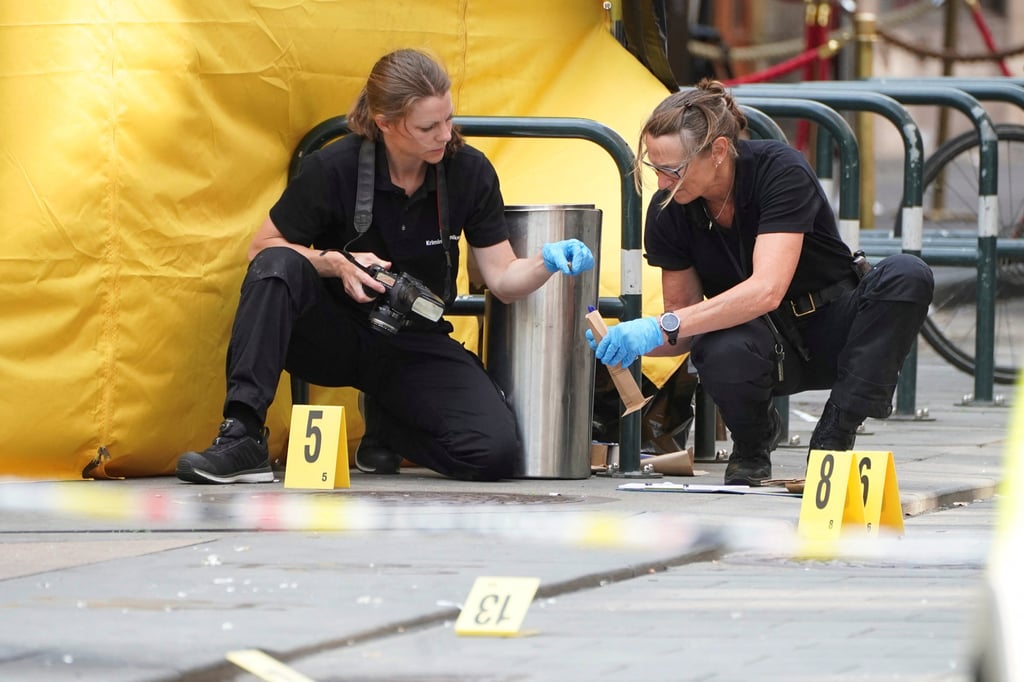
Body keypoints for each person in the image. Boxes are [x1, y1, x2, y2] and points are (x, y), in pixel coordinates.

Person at [176, 48, 594, 484]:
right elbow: (261, 249)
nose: (445, 135)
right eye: (428, 127)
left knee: (494, 453)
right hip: (332, 333)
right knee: (277, 265)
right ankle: (243, 434)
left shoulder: (468, 171)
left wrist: (545, 263)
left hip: (412, 338)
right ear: (385, 123)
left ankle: (390, 425)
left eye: (449, 119)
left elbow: (503, 279)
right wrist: (335, 263)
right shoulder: (333, 167)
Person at [589, 79, 934, 485]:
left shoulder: (779, 169)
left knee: (907, 274)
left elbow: (767, 289)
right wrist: (624, 341)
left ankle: (837, 430)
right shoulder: (668, 210)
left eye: (673, 170)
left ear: (719, 150)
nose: (662, 182)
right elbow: (681, 326)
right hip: (760, 345)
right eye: (655, 167)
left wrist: (661, 326)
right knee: (715, 346)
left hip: (835, 326)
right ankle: (752, 444)